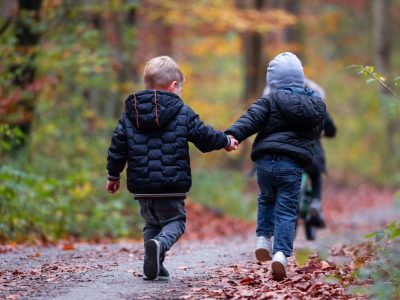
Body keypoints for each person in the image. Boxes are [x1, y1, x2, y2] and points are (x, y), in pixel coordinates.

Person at [105, 56, 238, 281]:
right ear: (173, 86)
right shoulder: (181, 111)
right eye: (180, 88)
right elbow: (203, 136)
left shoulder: (131, 112)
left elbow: (118, 145)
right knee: (175, 221)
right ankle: (159, 245)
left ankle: (155, 261)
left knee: (152, 222)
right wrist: (225, 141)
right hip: (171, 184)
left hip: (142, 186)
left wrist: (113, 174)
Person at [225, 52, 326, 280]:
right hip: (291, 165)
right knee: (287, 210)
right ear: (300, 78)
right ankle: (281, 254)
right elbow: (316, 132)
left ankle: (263, 239)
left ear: (272, 81)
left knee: (266, 199)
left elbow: (250, 120)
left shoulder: (269, 100)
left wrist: (232, 136)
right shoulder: (315, 106)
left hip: (265, 162)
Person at [303, 78, 337, 228]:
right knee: (316, 175)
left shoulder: (281, 100)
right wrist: (323, 133)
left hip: (287, 152)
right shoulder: (317, 104)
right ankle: (316, 203)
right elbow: (331, 129)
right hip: (311, 151)